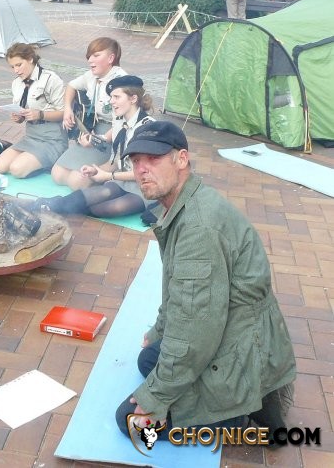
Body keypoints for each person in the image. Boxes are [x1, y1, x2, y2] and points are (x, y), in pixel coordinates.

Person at [114, 121, 296, 441]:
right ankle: (249, 394)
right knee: (150, 357)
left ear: (181, 159)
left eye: (153, 159)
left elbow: (195, 328)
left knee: (128, 420)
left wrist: (156, 396)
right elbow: (181, 291)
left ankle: (243, 416)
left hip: (238, 345)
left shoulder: (198, 228)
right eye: (136, 160)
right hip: (233, 330)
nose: (141, 169)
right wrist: (160, 328)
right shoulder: (187, 202)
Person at [36, 75, 155, 219]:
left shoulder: (147, 128)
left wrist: (109, 176)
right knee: (99, 195)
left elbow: (144, 172)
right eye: (111, 97)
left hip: (146, 183)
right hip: (123, 179)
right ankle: (52, 204)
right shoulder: (119, 121)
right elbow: (117, 160)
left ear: (133, 99)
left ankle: (57, 206)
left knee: (108, 208)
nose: (111, 101)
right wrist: (96, 170)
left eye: (117, 97)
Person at [53, 37, 126, 190]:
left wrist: (98, 140)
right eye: (89, 56)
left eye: (96, 55)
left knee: (76, 182)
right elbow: (71, 86)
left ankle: (115, 169)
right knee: (57, 174)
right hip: (93, 130)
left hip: (115, 137)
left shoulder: (122, 82)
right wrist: (67, 109)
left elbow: (123, 123)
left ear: (111, 58)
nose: (90, 60)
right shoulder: (91, 76)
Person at [0, 43, 67, 178]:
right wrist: (18, 117)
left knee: (16, 169)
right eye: (12, 67)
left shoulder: (50, 79)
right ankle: (32, 160)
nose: (16, 70)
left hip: (52, 139)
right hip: (31, 137)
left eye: (19, 65)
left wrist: (40, 114)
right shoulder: (16, 83)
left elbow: (64, 113)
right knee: (0, 166)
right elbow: (22, 113)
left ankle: (53, 160)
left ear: (30, 59)